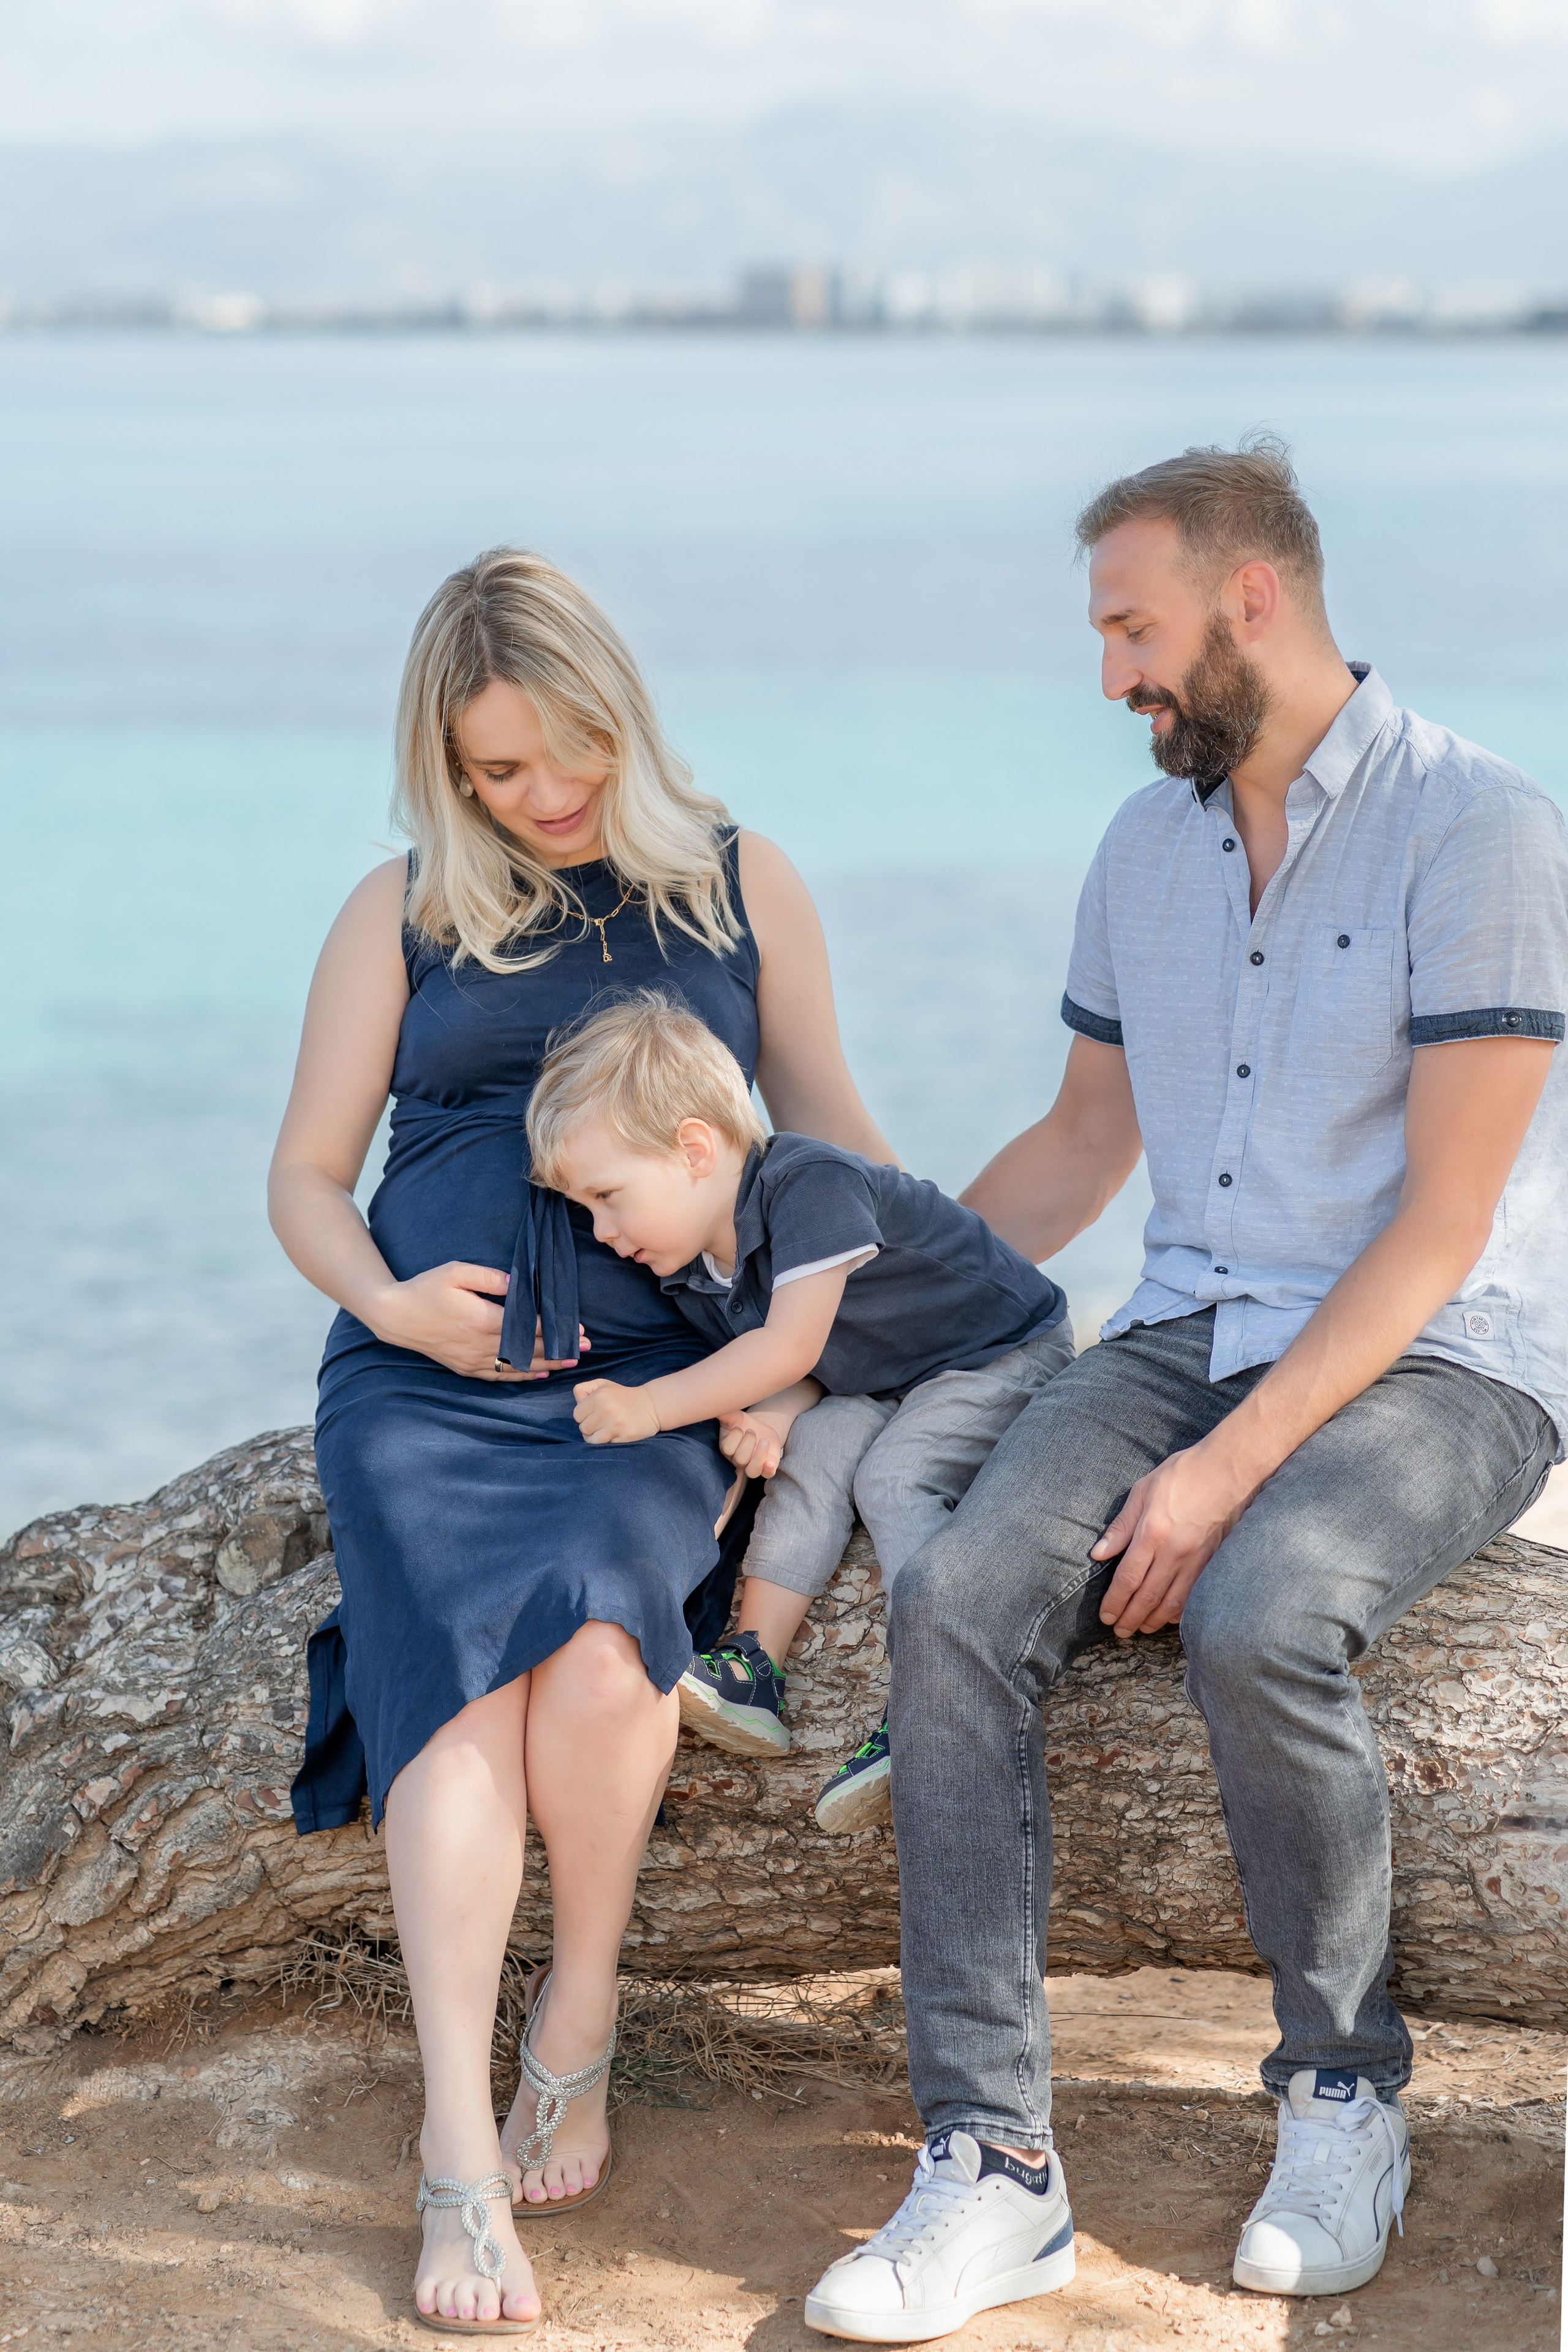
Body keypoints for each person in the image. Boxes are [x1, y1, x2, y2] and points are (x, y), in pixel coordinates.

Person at [803, 437, 1567, 2343]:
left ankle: (1342, 2095)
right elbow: (1077, 1153)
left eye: (1134, 627)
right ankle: (994, 2169)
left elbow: (1444, 1222)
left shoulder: (1480, 831)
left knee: (1259, 1608)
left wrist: (1226, 1469)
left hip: (1446, 1353)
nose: (1115, 673)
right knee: (961, 1594)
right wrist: (835, 1329)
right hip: (1187, 1324)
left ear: (1254, 598)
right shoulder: (1142, 848)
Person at [268, 547, 899, 2336]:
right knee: (458, 1697)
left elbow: (834, 1158)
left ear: (628, 719)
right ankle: (458, 2152)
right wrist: (389, 1311)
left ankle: (580, 2027)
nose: (545, 799)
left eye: (574, 754)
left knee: (615, 1673)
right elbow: (306, 1178)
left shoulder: (742, 887)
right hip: (426, 1388)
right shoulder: (398, 911)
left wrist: (802, 1372)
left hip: (660, 1388)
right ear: (445, 767)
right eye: (497, 770)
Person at [522, 990, 1076, 1829]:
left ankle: (939, 1697)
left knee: (895, 1477)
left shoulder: (809, 1185)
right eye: (586, 1211)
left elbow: (789, 1343)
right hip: (885, 1376)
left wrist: (652, 1407)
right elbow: (811, 1358)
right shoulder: (688, 1269)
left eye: (608, 1196)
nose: (600, 1232)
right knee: (813, 1456)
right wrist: (778, 1415)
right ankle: (755, 1667)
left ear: (695, 1148)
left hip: (995, 1349)